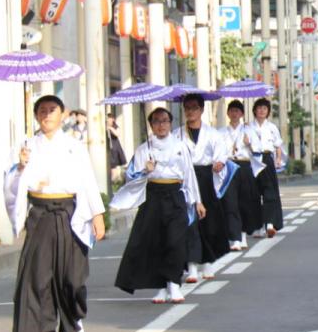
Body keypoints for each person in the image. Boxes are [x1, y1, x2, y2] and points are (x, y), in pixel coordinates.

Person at [4, 95, 106, 332]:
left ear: (62, 115)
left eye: (52, 110)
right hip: (40, 214)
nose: (46, 115)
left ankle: (73, 320)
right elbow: (14, 185)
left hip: (69, 212)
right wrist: (21, 166)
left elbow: (87, 180)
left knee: (71, 276)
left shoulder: (74, 146)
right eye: (42, 111)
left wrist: (97, 214)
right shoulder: (27, 146)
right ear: (36, 115)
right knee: (39, 277)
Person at [112, 107, 203, 304]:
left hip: (175, 195)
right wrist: (146, 171)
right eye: (156, 121)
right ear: (151, 125)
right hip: (153, 196)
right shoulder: (144, 149)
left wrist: (197, 201)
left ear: (170, 123)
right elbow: (130, 177)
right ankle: (161, 287)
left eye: (164, 121)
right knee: (155, 242)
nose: (161, 125)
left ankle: (174, 283)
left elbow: (189, 174)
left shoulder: (180, 146)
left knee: (175, 241)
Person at [177, 94, 231, 282]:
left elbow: (222, 153)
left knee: (208, 222)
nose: (190, 111)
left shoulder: (212, 133)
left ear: (201, 110)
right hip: (185, 180)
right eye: (187, 108)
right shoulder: (177, 134)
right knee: (189, 222)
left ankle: (207, 262)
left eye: (194, 108)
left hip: (205, 177)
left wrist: (219, 163)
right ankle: (191, 266)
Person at [221, 100, 262, 250]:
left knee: (244, 202)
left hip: (244, 166)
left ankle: (243, 234)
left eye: (237, 111)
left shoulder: (248, 130)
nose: (234, 114)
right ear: (228, 113)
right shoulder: (221, 132)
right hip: (229, 166)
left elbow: (258, 150)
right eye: (231, 111)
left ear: (242, 114)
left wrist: (249, 143)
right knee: (230, 202)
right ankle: (235, 238)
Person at [249, 98, 285, 237]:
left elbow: (278, 146)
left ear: (268, 111)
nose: (262, 110)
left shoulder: (272, 128)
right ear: (255, 110)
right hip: (253, 160)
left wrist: (278, 159)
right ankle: (257, 226)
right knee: (254, 194)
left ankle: (270, 223)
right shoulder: (248, 127)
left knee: (270, 192)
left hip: (267, 159)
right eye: (259, 108)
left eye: (265, 108)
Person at [107, 113, 127, 181]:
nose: (108, 120)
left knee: (113, 166)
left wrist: (110, 128)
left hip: (114, 147)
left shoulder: (115, 127)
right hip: (108, 148)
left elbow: (117, 134)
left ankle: (113, 181)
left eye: (109, 118)